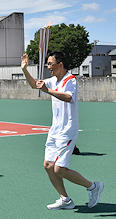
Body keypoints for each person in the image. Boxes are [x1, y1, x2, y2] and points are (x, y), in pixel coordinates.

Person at [21, 51, 103, 210]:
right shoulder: (52, 80)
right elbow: (34, 85)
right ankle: (65, 199)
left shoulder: (70, 80)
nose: (48, 67)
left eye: (50, 64)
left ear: (60, 64)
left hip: (68, 130)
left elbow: (68, 97)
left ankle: (93, 187)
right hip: (55, 130)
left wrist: (48, 91)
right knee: (48, 165)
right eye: (48, 64)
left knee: (59, 169)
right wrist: (25, 69)